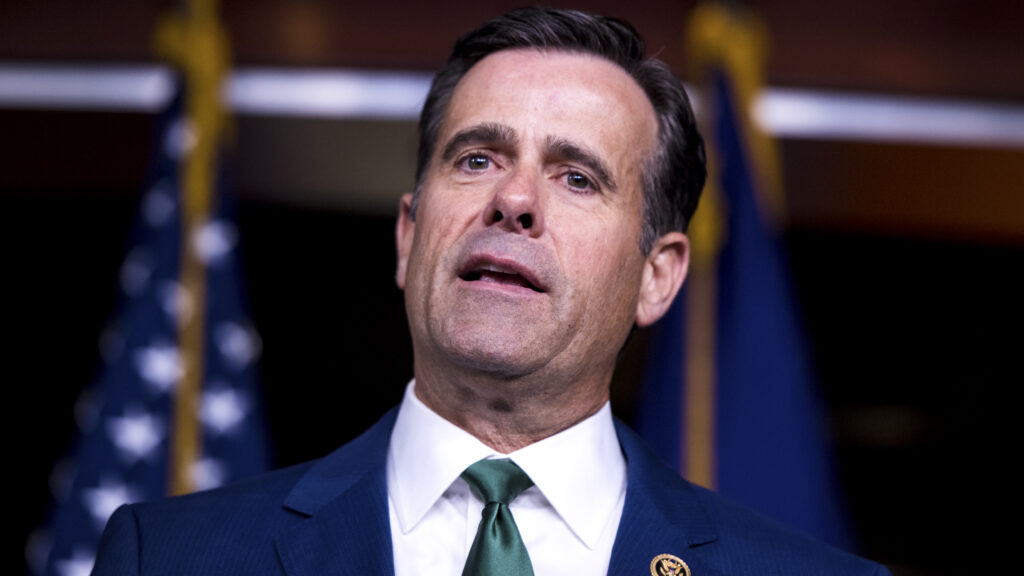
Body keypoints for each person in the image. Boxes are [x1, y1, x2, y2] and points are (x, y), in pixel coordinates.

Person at [93, 7, 891, 576]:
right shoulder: (165, 558)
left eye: (577, 177)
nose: (514, 200)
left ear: (658, 276)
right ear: (409, 236)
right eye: (477, 159)